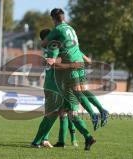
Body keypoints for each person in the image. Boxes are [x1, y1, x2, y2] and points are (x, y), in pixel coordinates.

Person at [42, 8, 97, 150]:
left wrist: (56, 59)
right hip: (77, 65)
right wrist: (84, 58)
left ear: (53, 18)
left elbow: (53, 59)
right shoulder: (70, 29)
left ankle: (88, 133)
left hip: (66, 75)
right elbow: (74, 47)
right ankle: (63, 140)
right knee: (65, 111)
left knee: (69, 110)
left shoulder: (56, 35)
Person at [31, 29, 82, 148]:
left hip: (55, 86)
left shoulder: (51, 49)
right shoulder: (53, 48)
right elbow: (55, 64)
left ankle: (47, 140)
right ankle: (37, 141)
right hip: (53, 86)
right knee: (52, 114)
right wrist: (72, 64)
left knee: (58, 113)